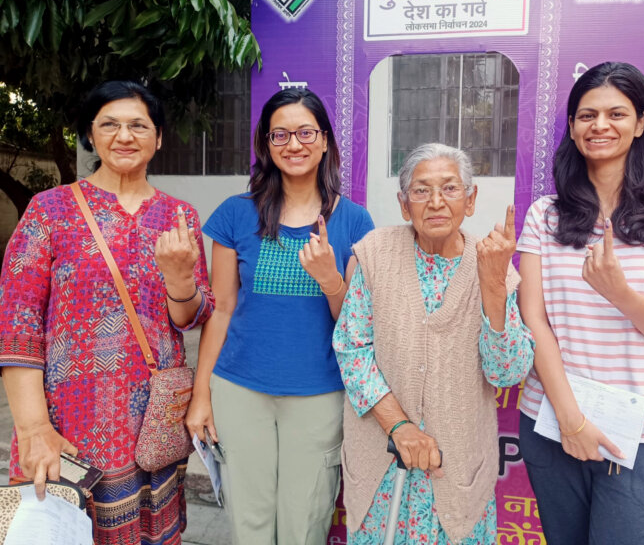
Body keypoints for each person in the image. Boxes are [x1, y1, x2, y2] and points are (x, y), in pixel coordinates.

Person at [516, 62, 644, 545]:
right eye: (587, 115)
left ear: (641, 123)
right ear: (571, 127)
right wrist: (571, 420)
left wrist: (621, 295)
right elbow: (535, 322)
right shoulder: (545, 216)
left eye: (616, 114)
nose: (600, 126)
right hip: (552, 422)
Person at [0, 80, 214, 545]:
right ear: (90, 136)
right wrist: (34, 427)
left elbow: (193, 318)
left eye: (139, 125)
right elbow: (18, 325)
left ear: (158, 138)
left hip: (153, 425)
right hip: (68, 423)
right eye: (110, 124)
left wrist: (180, 280)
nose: (124, 135)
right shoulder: (48, 210)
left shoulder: (180, 217)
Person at [185, 87, 374, 544]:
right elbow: (222, 309)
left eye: (306, 132)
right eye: (280, 135)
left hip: (319, 393)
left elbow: (355, 325)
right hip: (239, 389)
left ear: (325, 140)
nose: (294, 144)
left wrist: (330, 277)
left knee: (304, 522)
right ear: (266, 145)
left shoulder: (353, 221)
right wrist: (201, 394)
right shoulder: (235, 214)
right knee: (249, 522)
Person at [333, 142, 535, 544]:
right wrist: (400, 426)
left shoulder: (491, 263)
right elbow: (352, 348)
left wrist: (493, 287)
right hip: (382, 466)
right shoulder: (375, 253)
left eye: (450, 188)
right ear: (404, 204)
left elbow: (507, 372)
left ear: (471, 199)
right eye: (422, 190)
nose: (436, 202)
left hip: (457, 472)